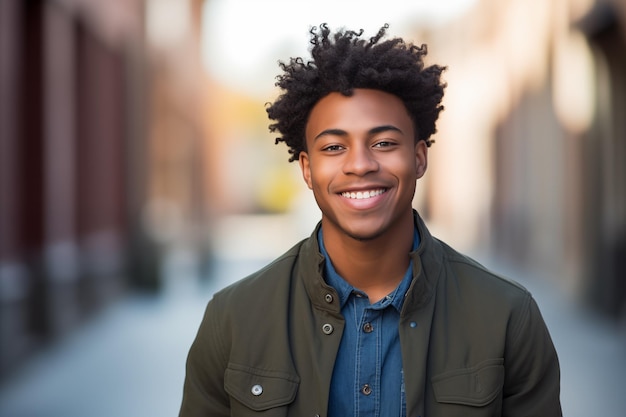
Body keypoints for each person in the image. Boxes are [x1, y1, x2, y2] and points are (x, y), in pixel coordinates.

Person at [179, 24, 562, 417]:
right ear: (307, 169)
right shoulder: (234, 318)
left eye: (383, 143)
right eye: (334, 146)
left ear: (419, 158)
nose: (360, 164)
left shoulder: (507, 316)